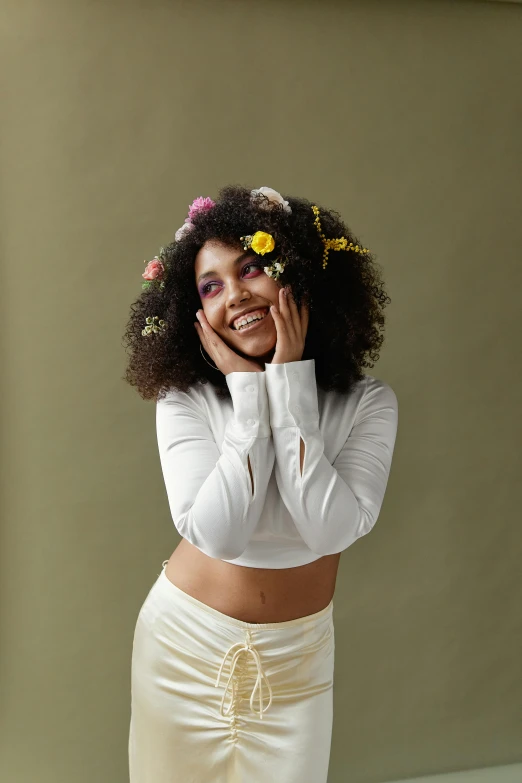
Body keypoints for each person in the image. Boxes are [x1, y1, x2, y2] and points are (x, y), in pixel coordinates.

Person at [122, 185, 399, 782]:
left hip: (295, 665)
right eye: (211, 285)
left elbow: (330, 530)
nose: (236, 295)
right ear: (194, 315)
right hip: (183, 650)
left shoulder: (367, 403)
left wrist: (288, 387)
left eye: (250, 268)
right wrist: (249, 397)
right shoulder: (184, 403)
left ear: (295, 274)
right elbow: (218, 535)